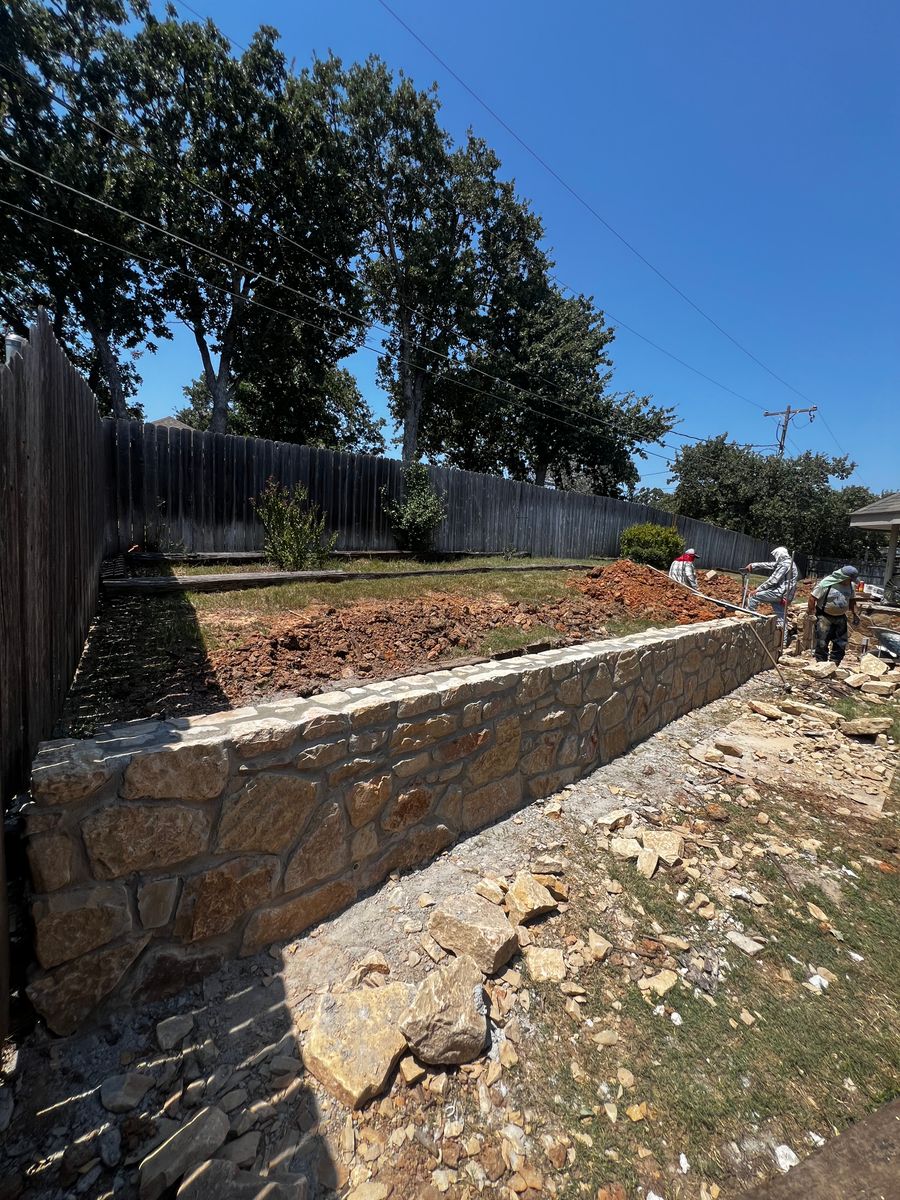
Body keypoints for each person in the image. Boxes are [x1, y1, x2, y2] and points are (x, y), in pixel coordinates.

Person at [807, 565, 860, 664]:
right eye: (849, 579)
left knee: (841, 643)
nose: (851, 581)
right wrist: (811, 613)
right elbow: (812, 598)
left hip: (840, 617)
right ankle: (821, 664)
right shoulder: (826, 583)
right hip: (825, 616)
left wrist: (855, 613)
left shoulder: (851, 586)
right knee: (822, 642)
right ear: (844, 577)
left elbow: (852, 600)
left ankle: (835, 663)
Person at [742, 546, 799, 627]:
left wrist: (758, 590)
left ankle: (750, 622)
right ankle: (784, 637)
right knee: (781, 618)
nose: (775, 558)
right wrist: (753, 565)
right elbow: (770, 565)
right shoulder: (788, 562)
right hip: (785, 596)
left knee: (753, 596)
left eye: (776, 556)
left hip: (779, 593)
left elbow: (773, 580)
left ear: (779, 555)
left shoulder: (785, 565)